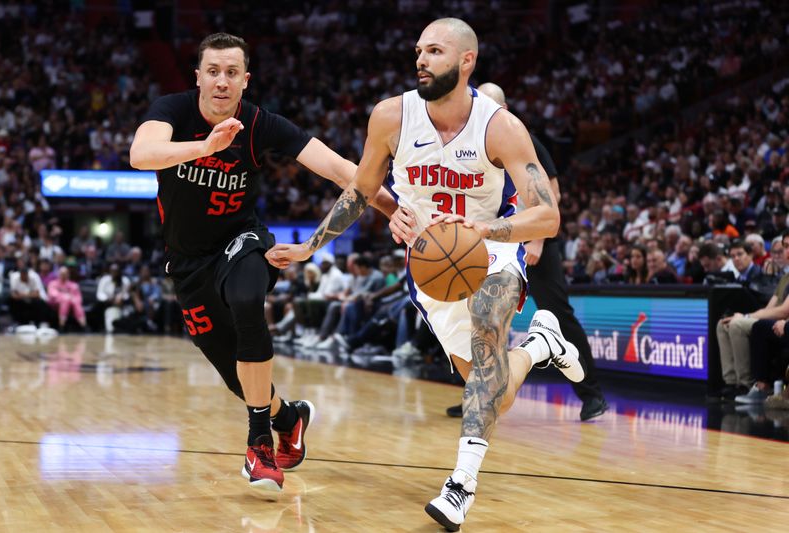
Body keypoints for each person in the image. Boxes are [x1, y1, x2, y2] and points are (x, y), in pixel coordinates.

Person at [267, 18, 584, 529]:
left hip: (491, 249)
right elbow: (362, 191)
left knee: (487, 323)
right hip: (431, 264)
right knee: (493, 391)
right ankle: (541, 346)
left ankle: (461, 484)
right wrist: (310, 246)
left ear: (466, 62)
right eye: (418, 50)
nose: (421, 59)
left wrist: (482, 231)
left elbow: (546, 216)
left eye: (434, 51)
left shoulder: (499, 125)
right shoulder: (391, 117)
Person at [129, 32, 396, 491]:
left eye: (232, 72)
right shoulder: (171, 110)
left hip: (242, 240)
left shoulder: (260, 124)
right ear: (198, 77)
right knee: (240, 379)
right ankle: (287, 418)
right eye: (212, 71)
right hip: (187, 264)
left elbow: (338, 168)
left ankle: (259, 446)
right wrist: (205, 148)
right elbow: (140, 155)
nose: (221, 81)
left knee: (248, 298)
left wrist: (396, 209)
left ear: (245, 80)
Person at [429, 82, 607, 421]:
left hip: (530, 240)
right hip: (488, 241)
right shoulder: (469, 140)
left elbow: (550, 193)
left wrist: (535, 241)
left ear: (503, 109)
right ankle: (479, 390)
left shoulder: (520, 136)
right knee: (477, 317)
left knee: (559, 312)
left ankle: (592, 394)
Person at [716, 231, 789, 400]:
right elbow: (770, 307)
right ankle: (731, 382)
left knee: (738, 325)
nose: (787, 251)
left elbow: (783, 311)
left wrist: (746, 317)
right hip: (774, 318)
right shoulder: (785, 277)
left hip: (783, 321)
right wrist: (747, 316)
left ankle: (746, 384)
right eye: (785, 247)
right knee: (723, 324)